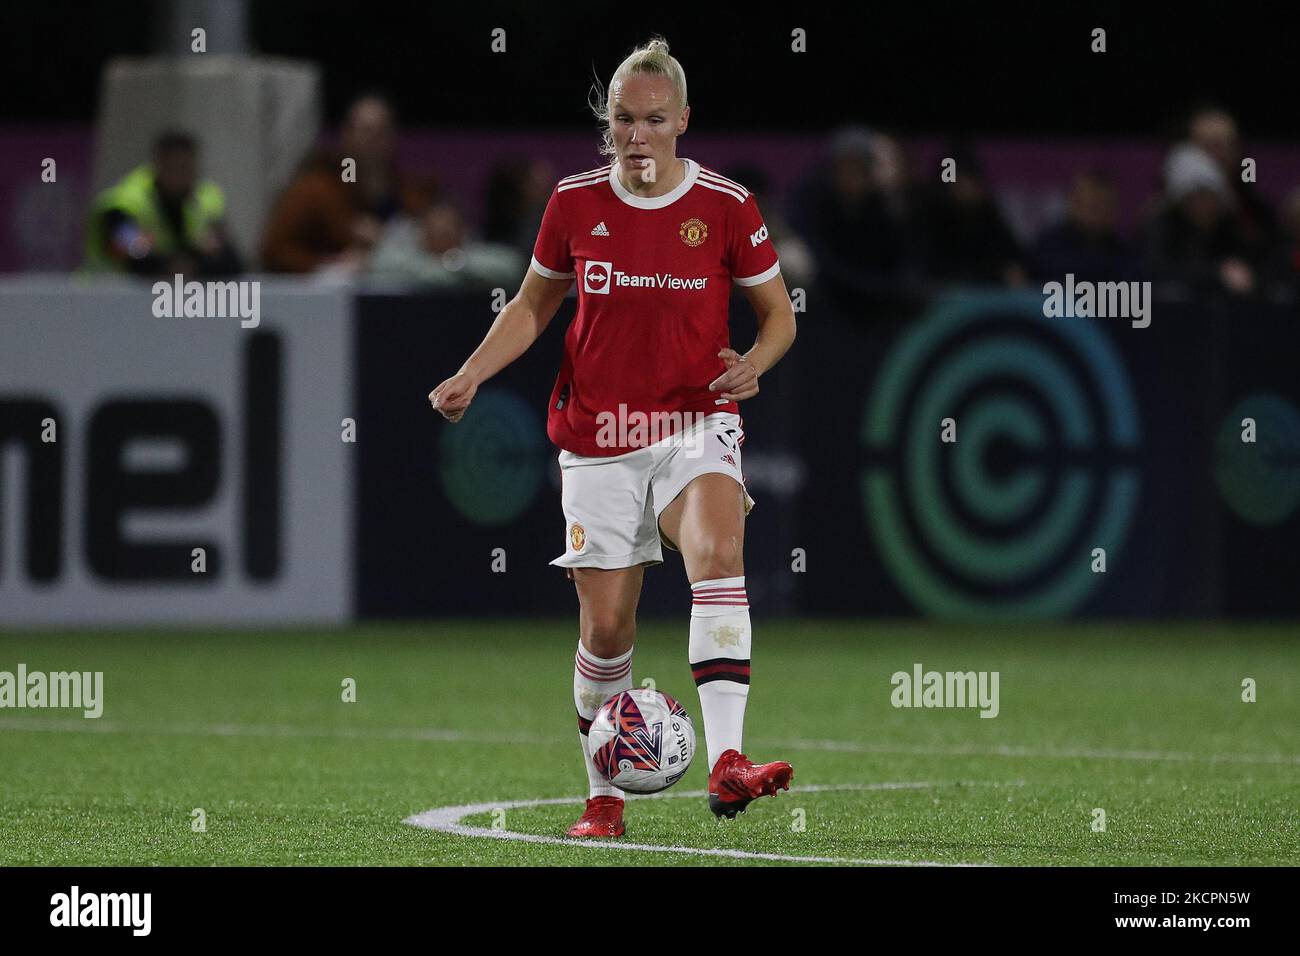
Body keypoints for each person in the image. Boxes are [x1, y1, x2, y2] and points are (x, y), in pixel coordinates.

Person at [428, 37, 797, 838]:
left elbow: (779, 315)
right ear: (609, 122)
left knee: (718, 551)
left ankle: (728, 762)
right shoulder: (574, 203)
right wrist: (472, 373)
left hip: (695, 418)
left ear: (683, 121)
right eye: (623, 119)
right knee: (606, 630)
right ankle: (604, 801)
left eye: (653, 120)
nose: (636, 135)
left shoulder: (726, 206)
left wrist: (753, 365)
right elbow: (531, 307)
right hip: (599, 435)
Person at [83, 130, 242, 277]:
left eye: (187, 168)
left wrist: (186, 262)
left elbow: (231, 262)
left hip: (169, 301)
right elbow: (133, 257)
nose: (181, 176)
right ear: (157, 165)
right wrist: (194, 256)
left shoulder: (207, 199)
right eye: (174, 168)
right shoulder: (126, 203)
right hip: (105, 298)